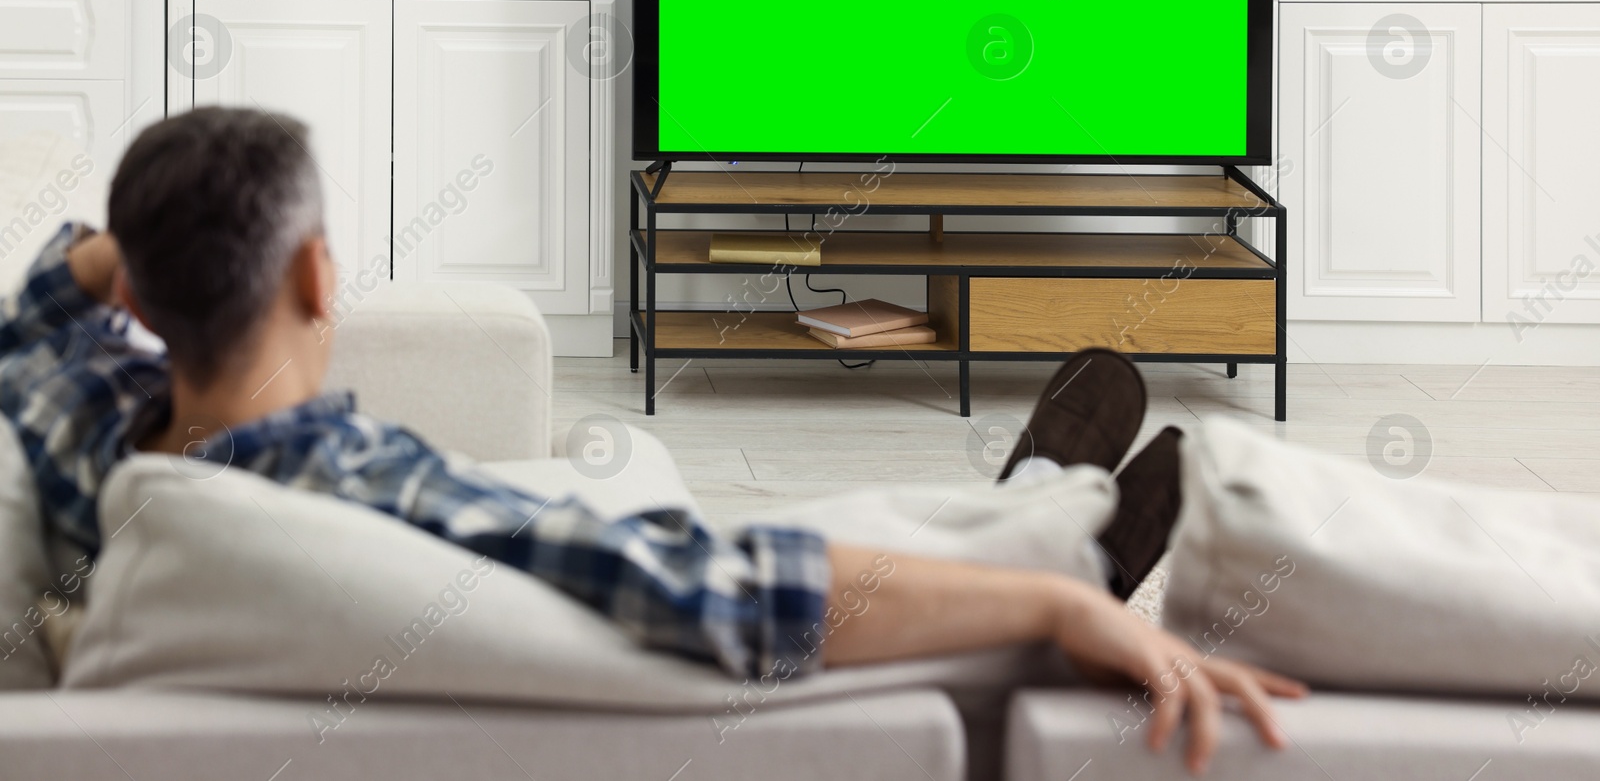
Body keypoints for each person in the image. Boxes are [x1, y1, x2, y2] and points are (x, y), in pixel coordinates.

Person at [0, 108, 1303, 776]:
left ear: (143, 297)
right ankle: (1057, 541)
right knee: (883, 531)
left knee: (878, 513)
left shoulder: (86, 434)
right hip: (773, 631)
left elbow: (47, 300)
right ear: (321, 274)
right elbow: (727, 594)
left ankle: (1045, 495)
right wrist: (1051, 608)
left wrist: (163, 238)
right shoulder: (370, 498)